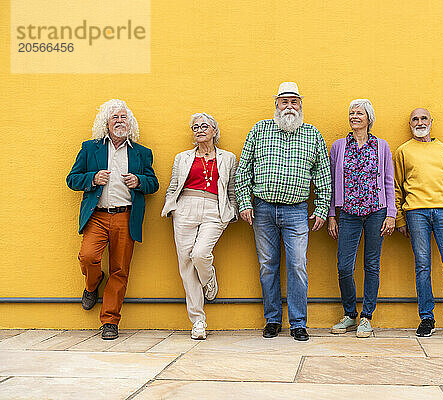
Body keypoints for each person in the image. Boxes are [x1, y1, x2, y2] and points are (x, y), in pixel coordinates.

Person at [235, 82, 331, 341]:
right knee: (268, 266)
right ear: (276, 104)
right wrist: (244, 203)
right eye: (284, 101)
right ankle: (273, 320)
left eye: (294, 101)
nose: (289, 106)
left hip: (297, 212)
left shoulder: (313, 134)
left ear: (301, 105)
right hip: (262, 209)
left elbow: (323, 175)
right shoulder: (259, 130)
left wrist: (321, 208)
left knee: (298, 265)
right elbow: (244, 169)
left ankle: (299, 322)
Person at [66, 99, 159, 340]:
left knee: (120, 270)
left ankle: (110, 321)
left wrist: (139, 181)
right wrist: (93, 178)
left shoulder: (141, 152)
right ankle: (92, 284)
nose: (119, 121)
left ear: (130, 122)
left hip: (125, 216)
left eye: (123, 117)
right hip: (97, 216)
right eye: (114, 118)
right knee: (88, 257)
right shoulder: (90, 148)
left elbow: (154, 184)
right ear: (106, 123)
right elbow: (72, 179)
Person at [394, 108, 443, 341]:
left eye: (423, 118)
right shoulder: (403, 151)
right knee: (422, 265)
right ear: (410, 123)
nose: (419, 122)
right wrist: (399, 217)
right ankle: (427, 318)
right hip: (416, 213)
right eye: (415, 119)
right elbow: (396, 186)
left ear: (431, 122)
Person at [161, 113, 238, 340]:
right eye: (195, 127)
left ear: (214, 130)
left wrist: (230, 212)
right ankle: (198, 321)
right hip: (185, 206)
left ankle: (208, 277)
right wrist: (173, 208)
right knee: (186, 263)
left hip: (215, 208)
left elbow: (231, 190)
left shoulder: (228, 158)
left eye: (204, 126)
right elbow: (173, 186)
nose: (199, 130)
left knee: (200, 254)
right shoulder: (182, 157)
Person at [327, 99, 396, 338]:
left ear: (369, 118)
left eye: (359, 113)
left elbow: (388, 180)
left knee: (371, 264)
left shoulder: (381, 146)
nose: (354, 116)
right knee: (344, 266)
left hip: (377, 211)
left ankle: (367, 317)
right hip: (347, 212)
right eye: (351, 113)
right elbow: (333, 182)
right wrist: (332, 214)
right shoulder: (338, 146)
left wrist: (391, 213)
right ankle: (349, 314)